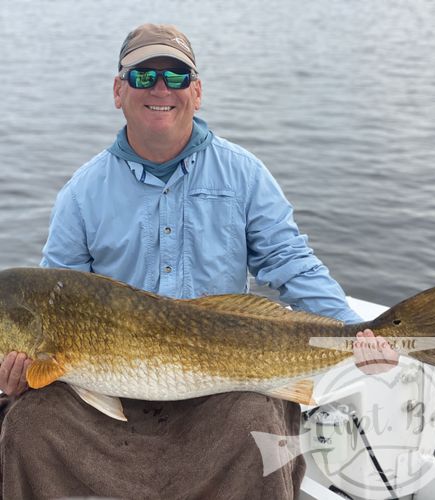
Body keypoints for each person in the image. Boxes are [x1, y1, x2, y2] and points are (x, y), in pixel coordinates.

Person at [0, 23, 398, 499]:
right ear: (118, 91)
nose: (161, 89)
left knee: (255, 428)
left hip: (225, 377)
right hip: (112, 384)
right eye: (144, 76)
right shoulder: (81, 194)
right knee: (27, 426)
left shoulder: (244, 175)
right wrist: (17, 372)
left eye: (177, 76)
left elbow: (291, 262)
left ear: (198, 90)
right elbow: (54, 298)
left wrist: (357, 332)